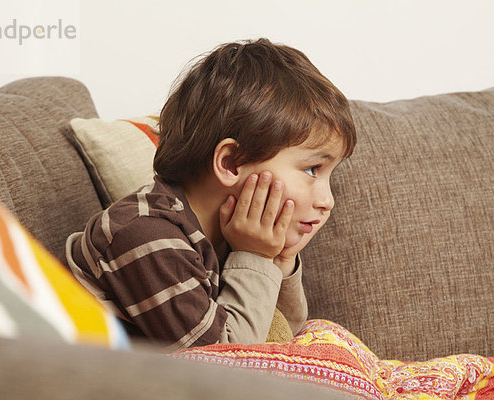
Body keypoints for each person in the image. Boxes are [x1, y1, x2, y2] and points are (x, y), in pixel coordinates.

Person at [64, 38, 356, 351]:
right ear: (231, 163)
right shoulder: (143, 234)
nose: (328, 201)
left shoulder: (231, 232)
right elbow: (227, 363)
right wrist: (256, 257)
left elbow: (281, 333)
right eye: (312, 170)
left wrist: (280, 259)